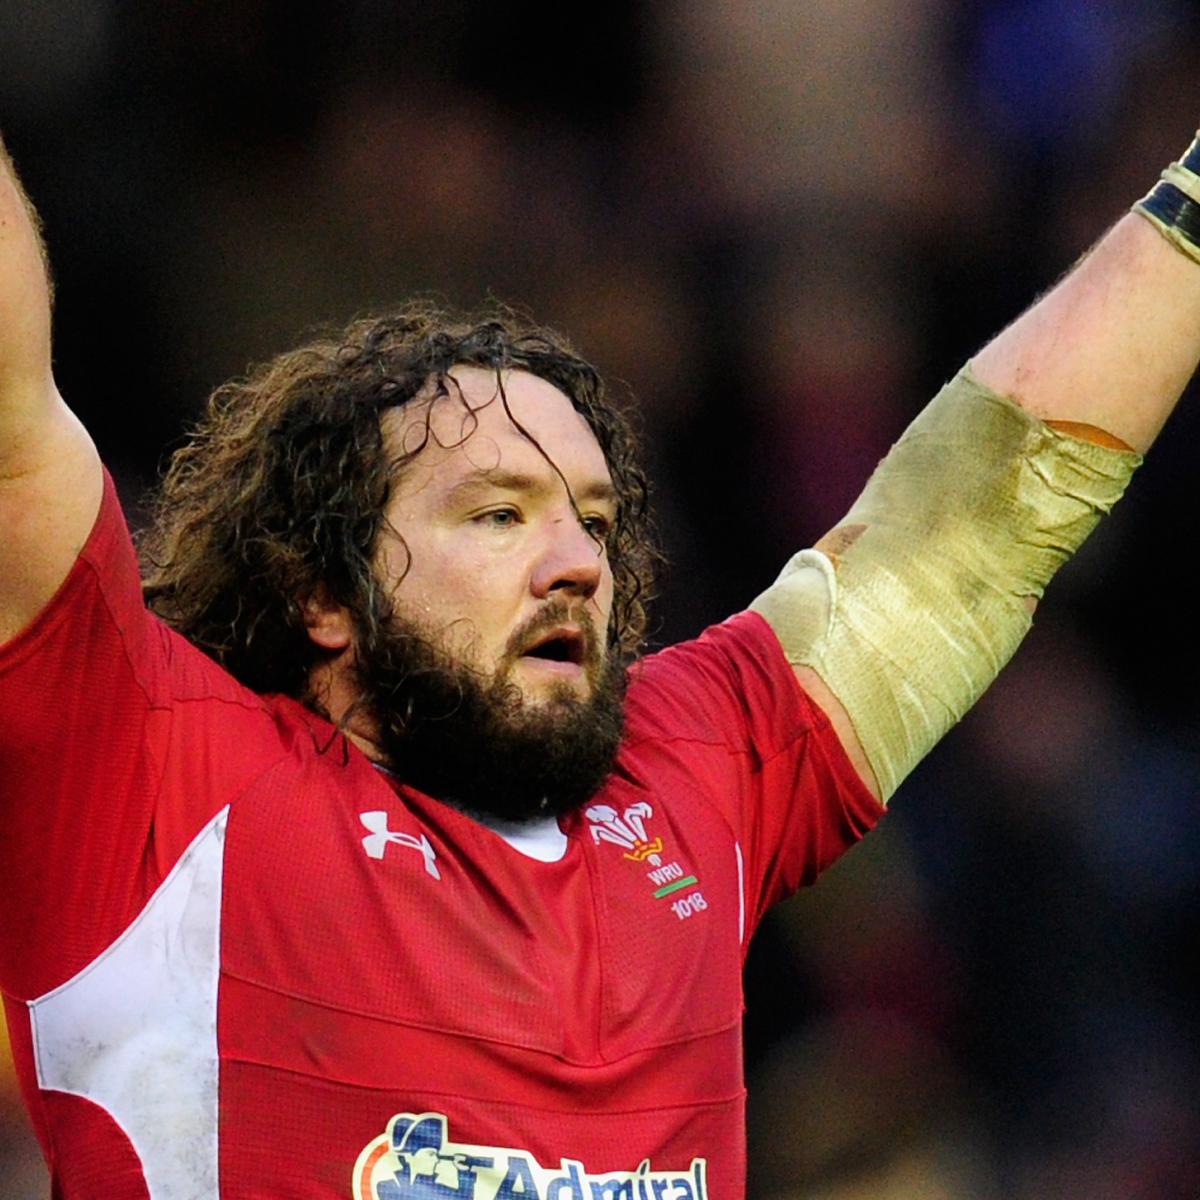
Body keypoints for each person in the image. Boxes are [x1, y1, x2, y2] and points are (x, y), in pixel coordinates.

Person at [1, 116, 1198, 1200]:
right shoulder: (152, 782)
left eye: (597, 518)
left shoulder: (689, 785)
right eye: (499, 514)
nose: (579, 559)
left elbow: (981, 513)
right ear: (326, 590)